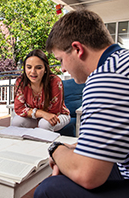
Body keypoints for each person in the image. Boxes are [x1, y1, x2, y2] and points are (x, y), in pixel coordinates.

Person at [34, 9, 129, 198]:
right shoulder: (122, 62)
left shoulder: (106, 78)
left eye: (61, 59)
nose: (62, 68)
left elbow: (88, 175)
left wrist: (56, 149)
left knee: (48, 189)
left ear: (77, 49)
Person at [11, 49, 70, 132]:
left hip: (58, 114)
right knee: (16, 122)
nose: (33, 72)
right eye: (29, 67)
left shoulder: (55, 81)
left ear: (45, 69)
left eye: (38, 68)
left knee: (44, 124)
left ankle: (48, 144)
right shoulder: (20, 81)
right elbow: (19, 108)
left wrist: (39, 114)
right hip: (36, 115)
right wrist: (41, 113)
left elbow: (54, 112)